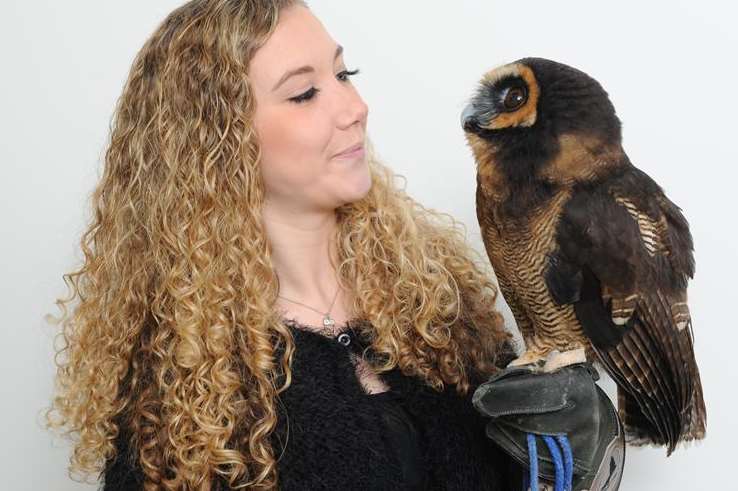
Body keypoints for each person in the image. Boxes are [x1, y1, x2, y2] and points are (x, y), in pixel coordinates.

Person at [44, 1, 618, 490]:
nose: (354, 108)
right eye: (304, 93)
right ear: (219, 143)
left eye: (345, 75)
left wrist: (569, 465)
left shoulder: (437, 304)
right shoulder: (182, 388)